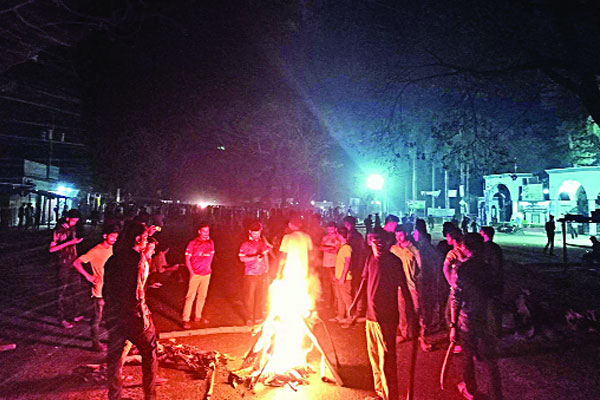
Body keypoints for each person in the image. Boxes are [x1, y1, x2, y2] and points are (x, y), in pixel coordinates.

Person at [104, 222, 157, 400]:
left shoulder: (113, 259)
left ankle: (115, 396)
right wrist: (144, 316)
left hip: (114, 315)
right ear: (137, 239)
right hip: (134, 316)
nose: (147, 242)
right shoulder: (139, 262)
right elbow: (138, 292)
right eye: (145, 238)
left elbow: (106, 290)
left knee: (115, 357)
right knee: (150, 353)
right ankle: (150, 396)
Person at [454, 233, 503, 400]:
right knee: (490, 357)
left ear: (467, 248)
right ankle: (496, 394)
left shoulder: (463, 269)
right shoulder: (487, 268)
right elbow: (494, 291)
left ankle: (469, 388)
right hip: (485, 316)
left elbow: (457, 297)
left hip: (468, 317)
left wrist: (453, 323)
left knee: (467, 354)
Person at [359, 231, 403, 400]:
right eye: (374, 242)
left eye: (380, 242)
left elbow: (404, 288)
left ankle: (391, 396)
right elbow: (364, 281)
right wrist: (355, 304)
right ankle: (380, 393)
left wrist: (411, 315)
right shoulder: (370, 259)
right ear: (370, 244)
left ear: (386, 243)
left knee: (387, 360)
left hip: (387, 318)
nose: (377, 246)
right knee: (374, 357)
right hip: (370, 316)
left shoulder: (394, 261)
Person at [72, 224, 120, 351]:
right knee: (97, 318)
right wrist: (88, 276)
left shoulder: (113, 248)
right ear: (105, 236)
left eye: (116, 237)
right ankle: (95, 343)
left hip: (110, 288)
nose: (114, 239)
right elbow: (76, 262)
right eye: (112, 237)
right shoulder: (96, 250)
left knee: (111, 316)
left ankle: (112, 340)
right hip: (99, 290)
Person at [391, 225, 432, 351]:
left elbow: (421, 269)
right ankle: (404, 333)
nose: (398, 238)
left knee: (417, 311)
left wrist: (419, 282)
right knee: (401, 311)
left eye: (401, 235)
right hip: (399, 287)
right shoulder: (393, 249)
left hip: (412, 286)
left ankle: (422, 337)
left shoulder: (414, 249)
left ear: (406, 234)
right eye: (396, 235)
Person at [49, 209, 85, 329]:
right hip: (63, 263)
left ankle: (75, 314)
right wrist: (70, 243)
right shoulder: (59, 230)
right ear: (68, 218)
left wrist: (75, 243)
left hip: (73, 261)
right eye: (73, 220)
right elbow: (52, 249)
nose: (75, 223)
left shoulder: (72, 228)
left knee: (76, 288)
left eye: (76, 221)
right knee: (61, 291)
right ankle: (61, 318)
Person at [238, 221, 273, 326]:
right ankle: (249, 318)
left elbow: (266, 255)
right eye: (255, 233)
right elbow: (242, 258)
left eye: (258, 233)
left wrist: (267, 269)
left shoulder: (262, 242)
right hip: (250, 274)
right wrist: (254, 258)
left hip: (262, 274)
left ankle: (258, 317)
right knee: (249, 297)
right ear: (250, 232)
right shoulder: (245, 244)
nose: (257, 235)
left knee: (260, 296)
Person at [182, 223, 215, 329]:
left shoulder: (211, 242)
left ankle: (198, 316)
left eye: (207, 231)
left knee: (202, 296)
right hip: (195, 274)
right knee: (190, 296)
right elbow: (187, 259)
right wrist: (191, 272)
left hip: (206, 274)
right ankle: (186, 319)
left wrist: (208, 268)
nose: (206, 233)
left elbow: (211, 256)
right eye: (204, 231)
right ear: (199, 231)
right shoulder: (193, 243)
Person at [480, 226, 504, 337]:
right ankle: (496, 330)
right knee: (495, 307)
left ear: (485, 234)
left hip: (490, 281)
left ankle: (493, 331)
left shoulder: (486, 248)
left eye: (481, 232)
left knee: (490, 307)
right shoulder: (496, 247)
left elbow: (493, 266)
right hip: (496, 281)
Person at [319, 221, 342, 311]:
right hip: (326, 265)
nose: (329, 231)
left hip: (334, 265)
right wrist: (330, 248)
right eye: (328, 229)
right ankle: (327, 304)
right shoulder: (325, 237)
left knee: (335, 286)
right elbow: (320, 247)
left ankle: (337, 306)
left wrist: (326, 248)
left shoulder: (338, 238)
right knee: (326, 285)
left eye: (331, 229)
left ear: (335, 229)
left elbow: (336, 250)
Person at [333, 227, 353, 326]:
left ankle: (350, 319)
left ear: (340, 235)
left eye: (337, 233)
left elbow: (347, 263)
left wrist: (343, 277)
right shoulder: (342, 246)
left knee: (346, 299)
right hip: (339, 277)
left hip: (345, 278)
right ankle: (341, 316)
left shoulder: (347, 248)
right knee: (340, 297)